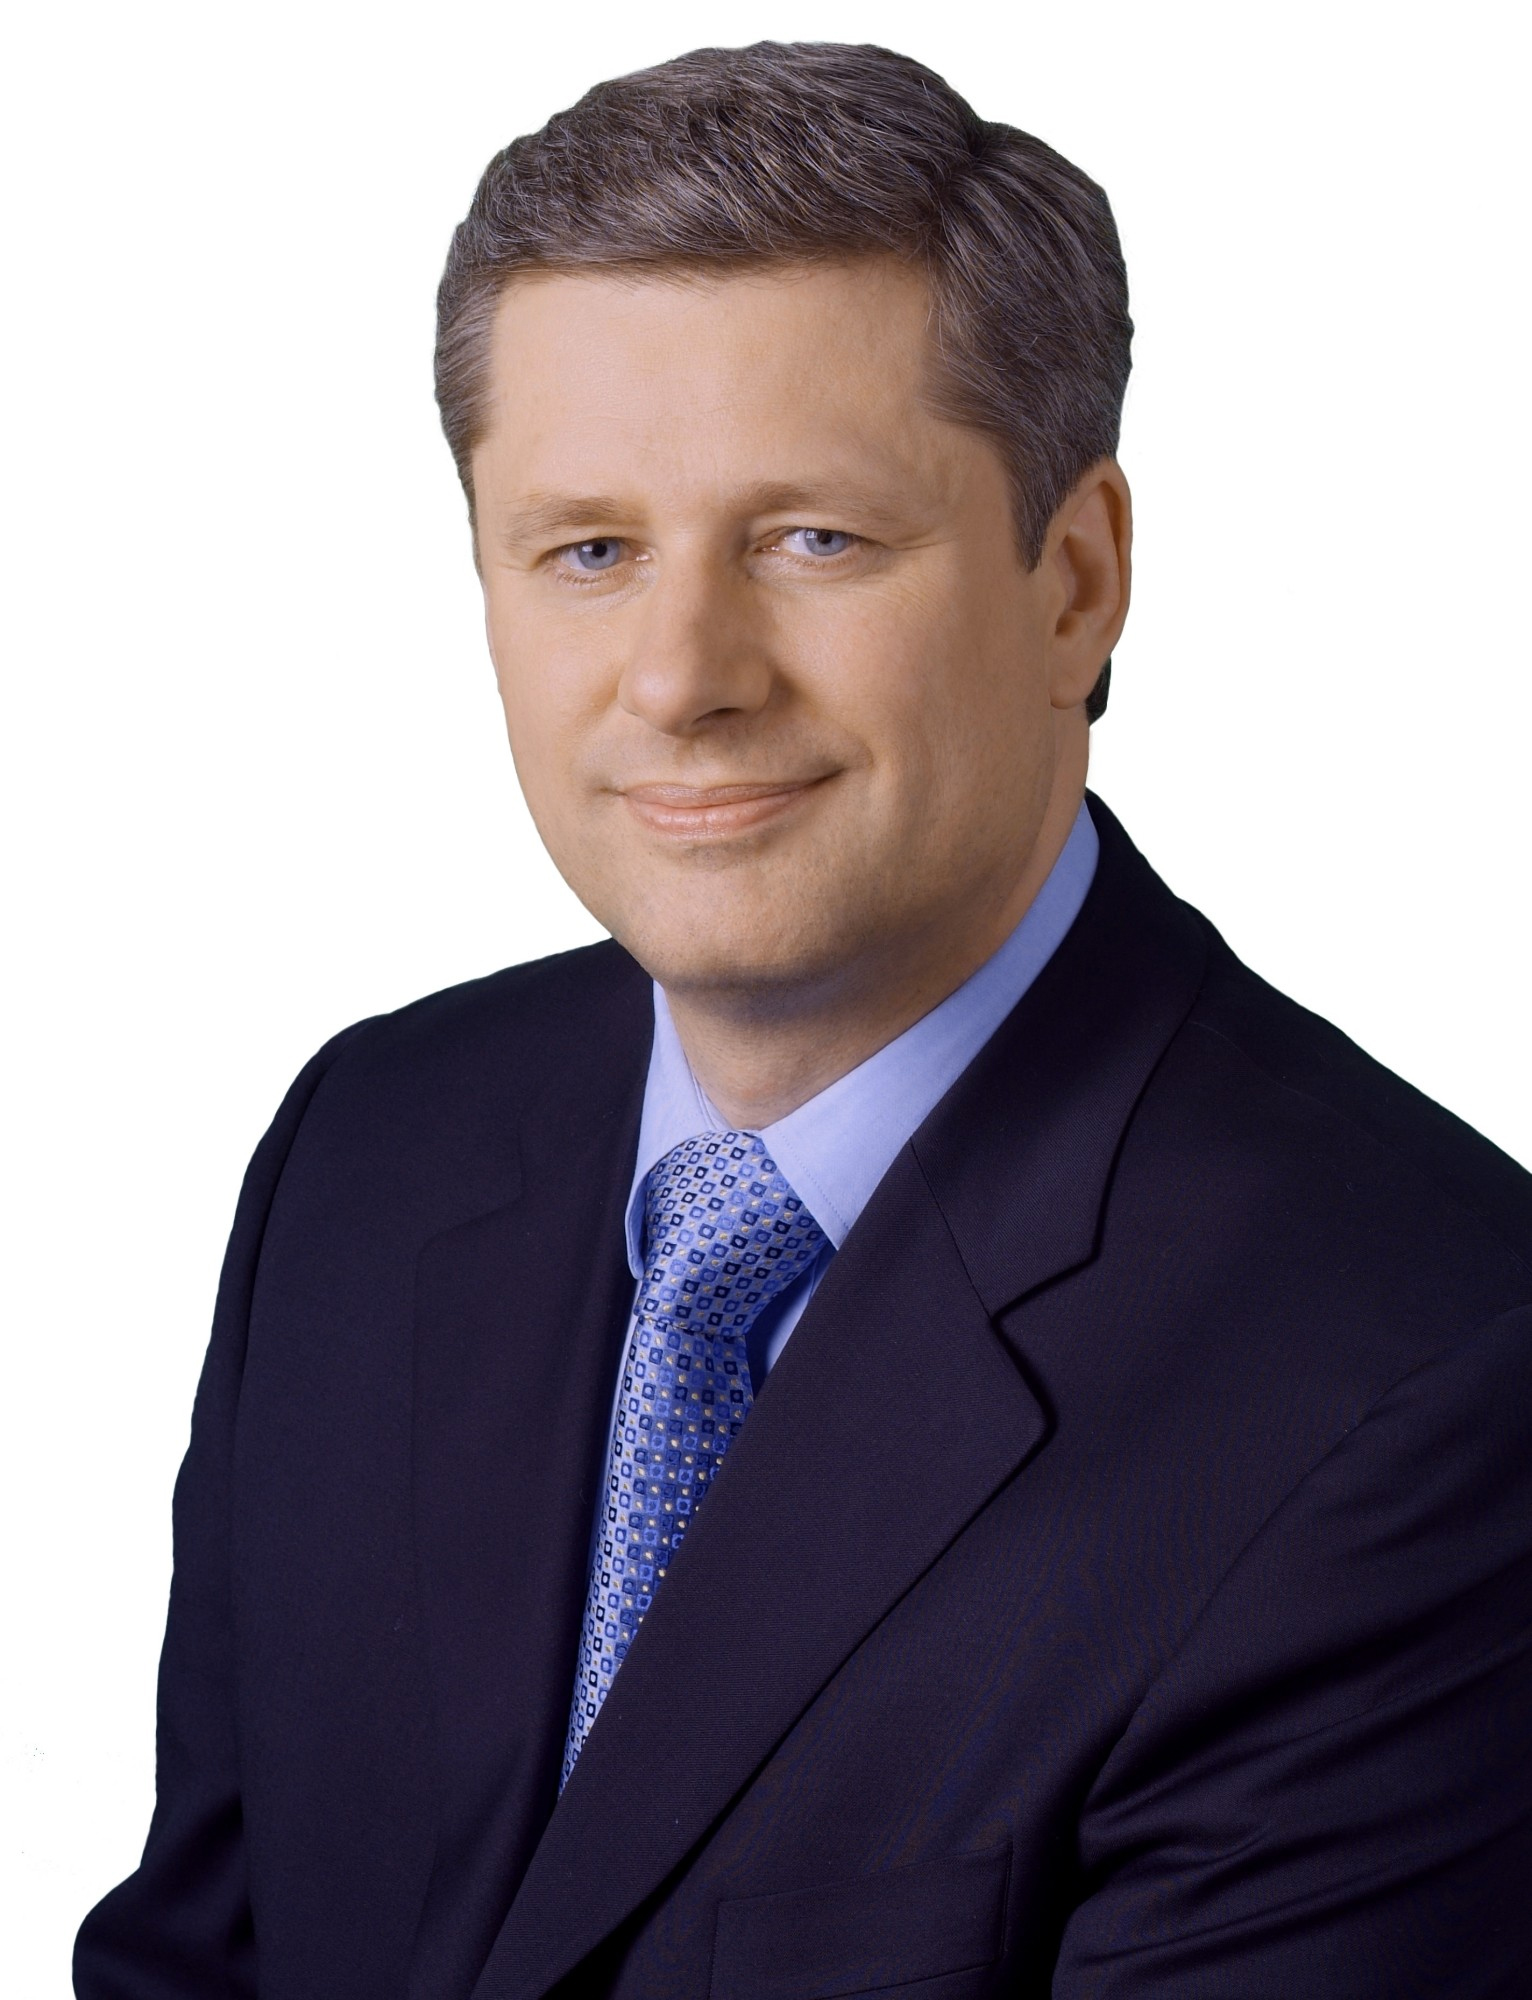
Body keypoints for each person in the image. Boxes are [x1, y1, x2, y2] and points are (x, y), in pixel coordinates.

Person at [75, 40, 1532, 2000]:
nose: (679, 676)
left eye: (812, 540)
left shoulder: (1425, 1378)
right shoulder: (373, 1141)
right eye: (587, 549)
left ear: (1074, 581)